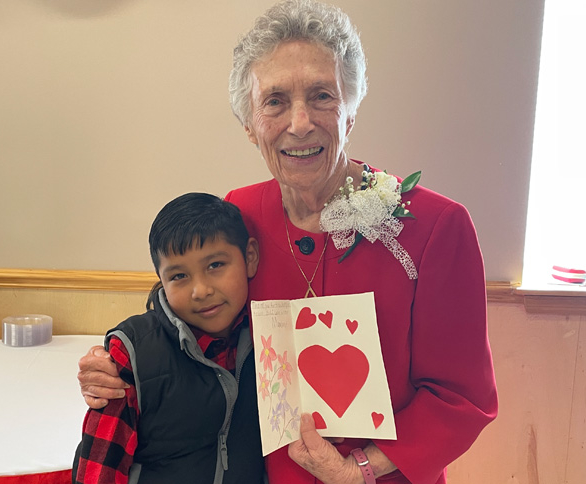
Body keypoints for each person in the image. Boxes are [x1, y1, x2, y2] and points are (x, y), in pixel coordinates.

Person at [77, 1, 498, 483]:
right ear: (250, 126)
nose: (300, 123)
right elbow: (194, 324)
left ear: (351, 111)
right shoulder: (240, 215)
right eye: (274, 101)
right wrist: (118, 363)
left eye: (322, 95)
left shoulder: (435, 226)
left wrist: (358, 470)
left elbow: (462, 398)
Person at [73, 192, 265, 484]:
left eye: (215, 265)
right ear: (161, 279)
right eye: (179, 276)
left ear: (249, 258)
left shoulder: (270, 342)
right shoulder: (134, 355)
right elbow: (99, 470)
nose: (200, 290)